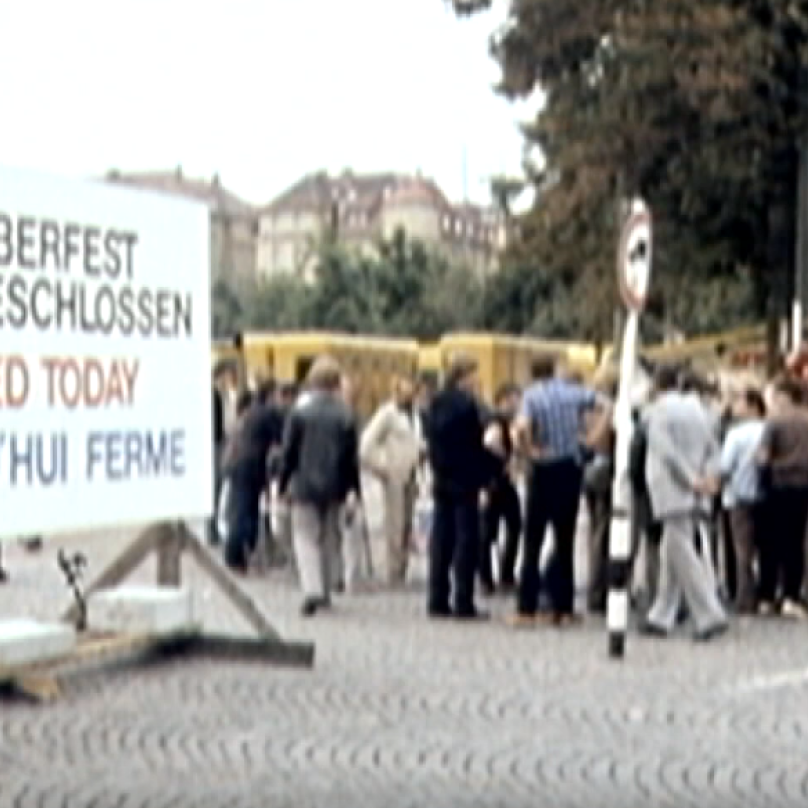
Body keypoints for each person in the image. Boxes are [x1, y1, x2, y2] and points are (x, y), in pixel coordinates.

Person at [511, 354, 603, 627]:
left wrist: (529, 450)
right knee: (565, 540)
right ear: (554, 370)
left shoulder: (532, 397)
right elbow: (606, 405)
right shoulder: (573, 393)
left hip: (543, 469)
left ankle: (526, 607)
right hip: (570, 467)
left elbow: (522, 427)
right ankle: (563, 608)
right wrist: (591, 439)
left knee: (533, 541)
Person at [640, 365, 728, 642]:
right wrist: (709, 477)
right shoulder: (702, 411)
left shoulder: (655, 412)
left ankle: (709, 613)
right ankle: (661, 614)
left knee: (681, 549)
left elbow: (665, 451)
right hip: (700, 486)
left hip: (670, 487)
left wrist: (690, 479)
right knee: (672, 548)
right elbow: (715, 449)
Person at [278, 355, 361, 617]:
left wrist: (282, 483)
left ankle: (311, 588)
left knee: (305, 536)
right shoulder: (346, 415)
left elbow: (289, 452)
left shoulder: (300, 413)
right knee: (330, 538)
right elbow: (351, 458)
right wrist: (354, 489)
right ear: (336, 382)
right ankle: (325, 589)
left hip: (304, 484)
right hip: (336, 485)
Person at [426, 353, 492, 620]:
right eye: (474, 374)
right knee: (466, 539)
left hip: (442, 476)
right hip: (466, 478)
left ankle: (437, 598)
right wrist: (486, 473)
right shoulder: (467, 405)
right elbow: (475, 442)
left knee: (441, 538)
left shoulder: (435, 402)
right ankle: (463, 599)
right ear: (464, 377)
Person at [360, 374, 423, 586]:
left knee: (407, 524)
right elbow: (366, 444)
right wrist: (381, 466)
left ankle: (402, 568)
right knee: (394, 525)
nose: (411, 392)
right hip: (394, 474)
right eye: (406, 388)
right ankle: (392, 571)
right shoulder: (387, 414)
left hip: (412, 474)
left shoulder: (415, 414)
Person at [757, 377, 808, 619]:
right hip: (803, 486)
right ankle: (791, 595)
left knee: (771, 542)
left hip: (777, 485)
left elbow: (762, 457)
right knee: (795, 543)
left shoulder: (774, 422)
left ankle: (767, 596)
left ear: (786, 396)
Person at [223, 387, 283, 574]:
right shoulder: (268, 414)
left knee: (240, 509)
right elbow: (281, 439)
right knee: (245, 512)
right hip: (251, 466)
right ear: (270, 396)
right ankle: (237, 553)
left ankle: (238, 554)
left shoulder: (249, 414)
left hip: (236, 464)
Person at [720, 387, 766, 614]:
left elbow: (725, 466)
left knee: (742, 550)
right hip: (766, 494)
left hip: (738, 495)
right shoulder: (769, 429)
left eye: (739, 402)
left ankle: (744, 596)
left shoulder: (736, 434)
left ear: (752, 406)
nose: (735, 407)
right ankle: (766, 593)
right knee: (765, 548)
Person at [478, 383, 523, 595]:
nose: (516, 405)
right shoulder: (495, 423)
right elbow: (489, 447)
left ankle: (502, 573)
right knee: (490, 531)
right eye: (513, 401)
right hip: (494, 482)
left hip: (502, 482)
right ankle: (489, 576)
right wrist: (505, 460)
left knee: (512, 525)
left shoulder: (506, 422)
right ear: (502, 401)